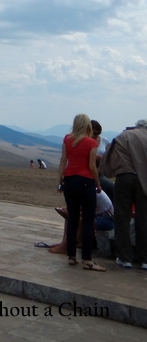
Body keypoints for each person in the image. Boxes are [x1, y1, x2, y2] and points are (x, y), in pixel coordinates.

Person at [57, 114, 105, 271]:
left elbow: (63, 160)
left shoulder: (67, 139)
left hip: (69, 180)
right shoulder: (91, 143)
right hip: (86, 182)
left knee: (72, 218)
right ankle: (87, 259)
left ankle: (71, 256)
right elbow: (92, 166)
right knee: (87, 221)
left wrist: (60, 180)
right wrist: (98, 183)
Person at [99, 119, 147, 269]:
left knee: (122, 217)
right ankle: (144, 259)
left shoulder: (124, 135)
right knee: (143, 218)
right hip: (143, 179)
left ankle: (125, 257)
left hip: (124, 176)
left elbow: (111, 156)